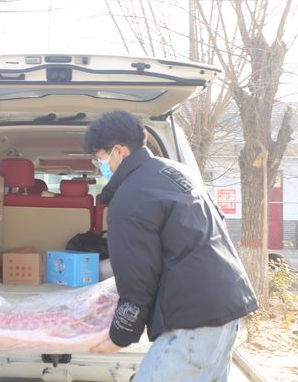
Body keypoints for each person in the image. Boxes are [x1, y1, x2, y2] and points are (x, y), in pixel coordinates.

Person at [85, 110, 258, 381]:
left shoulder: (129, 198)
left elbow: (137, 280)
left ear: (118, 151)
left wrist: (120, 336)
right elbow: (218, 222)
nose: (99, 165)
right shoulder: (177, 171)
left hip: (194, 321)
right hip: (226, 306)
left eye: (99, 157)